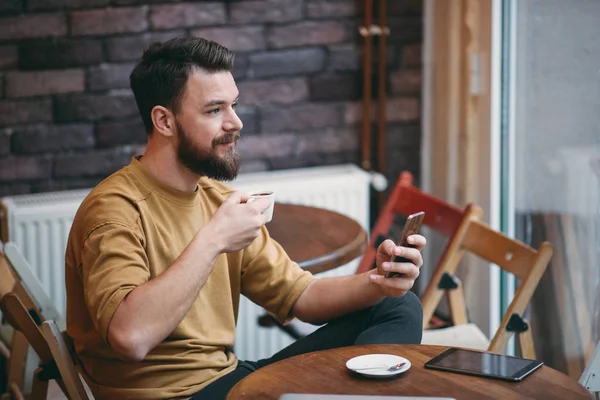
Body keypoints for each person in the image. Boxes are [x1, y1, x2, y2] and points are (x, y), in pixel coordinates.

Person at [64, 36, 426, 400]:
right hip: (171, 396)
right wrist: (212, 240)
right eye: (214, 110)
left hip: (227, 381)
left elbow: (302, 295)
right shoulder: (114, 208)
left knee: (397, 305)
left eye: (233, 105)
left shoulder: (216, 199)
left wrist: (379, 281)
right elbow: (131, 338)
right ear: (164, 121)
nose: (235, 122)